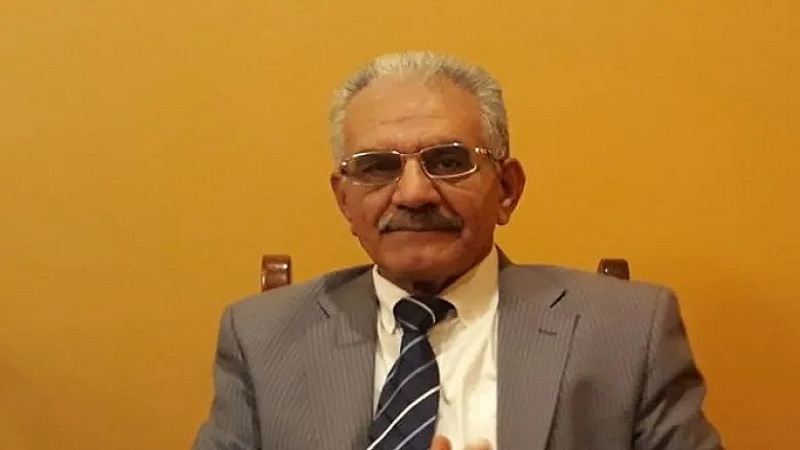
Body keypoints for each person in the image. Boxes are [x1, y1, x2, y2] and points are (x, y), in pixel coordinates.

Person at [193, 51, 722, 450]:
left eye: (448, 162)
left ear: (506, 190)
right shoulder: (262, 338)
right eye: (377, 167)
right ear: (345, 201)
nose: (414, 194)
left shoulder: (628, 331)